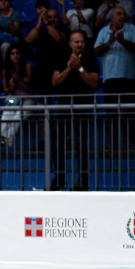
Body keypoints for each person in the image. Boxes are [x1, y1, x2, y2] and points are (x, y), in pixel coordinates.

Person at [49, 31, 98, 190]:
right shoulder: (61, 57)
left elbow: (94, 83)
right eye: (76, 42)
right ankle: (59, 178)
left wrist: (80, 68)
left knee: (80, 143)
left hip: (83, 106)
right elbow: (55, 81)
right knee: (57, 140)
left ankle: (83, 180)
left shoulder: (90, 58)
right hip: (63, 105)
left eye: (82, 42)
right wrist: (70, 68)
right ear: (70, 44)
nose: (79, 45)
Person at [0, 45, 34, 148]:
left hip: (28, 98)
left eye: (17, 53)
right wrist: (12, 86)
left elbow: (32, 89)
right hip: (13, 98)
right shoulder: (6, 70)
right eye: (12, 54)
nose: (15, 56)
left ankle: (7, 139)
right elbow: (5, 90)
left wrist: (19, 81)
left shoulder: (27, 66)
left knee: (18, 116)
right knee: (6, 113)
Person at [94, 6, 135, 107]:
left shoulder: (132, 28)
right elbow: (96, 51)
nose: (122, 16)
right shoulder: (103, 31)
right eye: (119, 14)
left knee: (129, 112)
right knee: (111, 112)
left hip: (128, 77)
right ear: (111, 16)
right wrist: (109, 43)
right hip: (110, 78)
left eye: (124, 14)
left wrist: (122, 41)